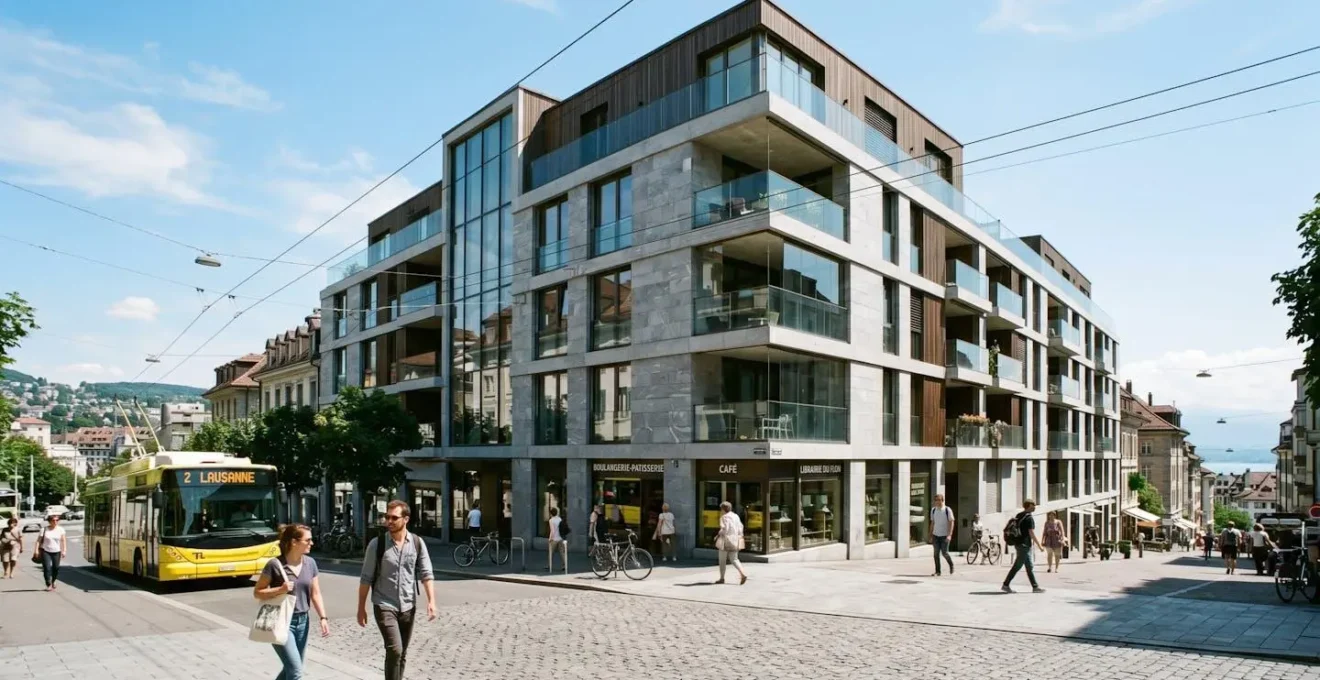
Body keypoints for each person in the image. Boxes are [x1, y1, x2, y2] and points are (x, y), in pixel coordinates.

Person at [358, 500, 436, 680]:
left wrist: (432, 601)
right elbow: (366, 578)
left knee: (402, 653)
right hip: (384, 604)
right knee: (395, 649)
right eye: (387, 517)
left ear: (405, 519)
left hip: (408, 605)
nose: (389, 521)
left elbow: (426, 573)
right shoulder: (377, 545)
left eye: (394, 518)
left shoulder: (417, 543)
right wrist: (361, 608)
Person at [254, 524, 330, 680]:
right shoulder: (274, 565)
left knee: (291, 668)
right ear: (294, 542)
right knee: (295, 671)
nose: (311, 543)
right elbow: (258, 592)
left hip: (303, 622)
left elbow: (315, 593)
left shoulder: (310, 563)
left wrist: (323, 617)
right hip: (280, 621)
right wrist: (279, 590)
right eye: (307, 540)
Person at [1002, 499, 1044, 594]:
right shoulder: (1029, 518)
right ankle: (1006, 584)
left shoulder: (1019, 515)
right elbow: (1031, 533)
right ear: (1029, 506)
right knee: (1017, 566)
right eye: (1033, 505)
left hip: (1019, 543)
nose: (1035, 507)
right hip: (1024, 545)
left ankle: (1035, 586)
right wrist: (1039, 546)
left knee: (1029, 566)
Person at [714, 501, 747, 585]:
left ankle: (722, 578)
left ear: (723, 509)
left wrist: (718, 535)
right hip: (735, 540)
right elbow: (741, 527)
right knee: (735, 559)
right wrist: (740, 536)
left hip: (725, 541)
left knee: (722, 560)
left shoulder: (724, 517)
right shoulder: (736, 516)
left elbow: (725, 529)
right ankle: (743, 574)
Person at [37, 513, 67, 592]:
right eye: (53, 520)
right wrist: (36, 550)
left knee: (56, 568)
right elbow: (38, 541)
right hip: (46, 551)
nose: (55, 522)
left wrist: (64, 550)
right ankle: (48, 584)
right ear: (49, 521)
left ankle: (53, 581)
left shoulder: (61, 529)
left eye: (57, 520)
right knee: (47, 568)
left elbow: (63, 540)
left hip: (57, 551)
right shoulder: (44, 529)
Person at [929, 493, 955, 576]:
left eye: (939, 500)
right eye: (936, 500)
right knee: (936, 554)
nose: (937, 502)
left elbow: (951, 522)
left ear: (942, 500)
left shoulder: (947, 510)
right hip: (936, 535)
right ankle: (938, 571)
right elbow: (932, 523)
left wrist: (949, 535)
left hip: (944, 535)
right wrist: (930, 535)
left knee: (944, 553)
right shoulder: (933, 510)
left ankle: (951, 565)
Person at [546, 507, 567, 573]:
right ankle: (565, 565)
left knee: (551, 553)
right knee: (562, 552)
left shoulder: (551, 520)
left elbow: (552, 531)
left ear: (551, 513)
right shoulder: (559, 519)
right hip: (560, 538)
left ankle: (549, 565)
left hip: (554, 539)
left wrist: (550, 538)